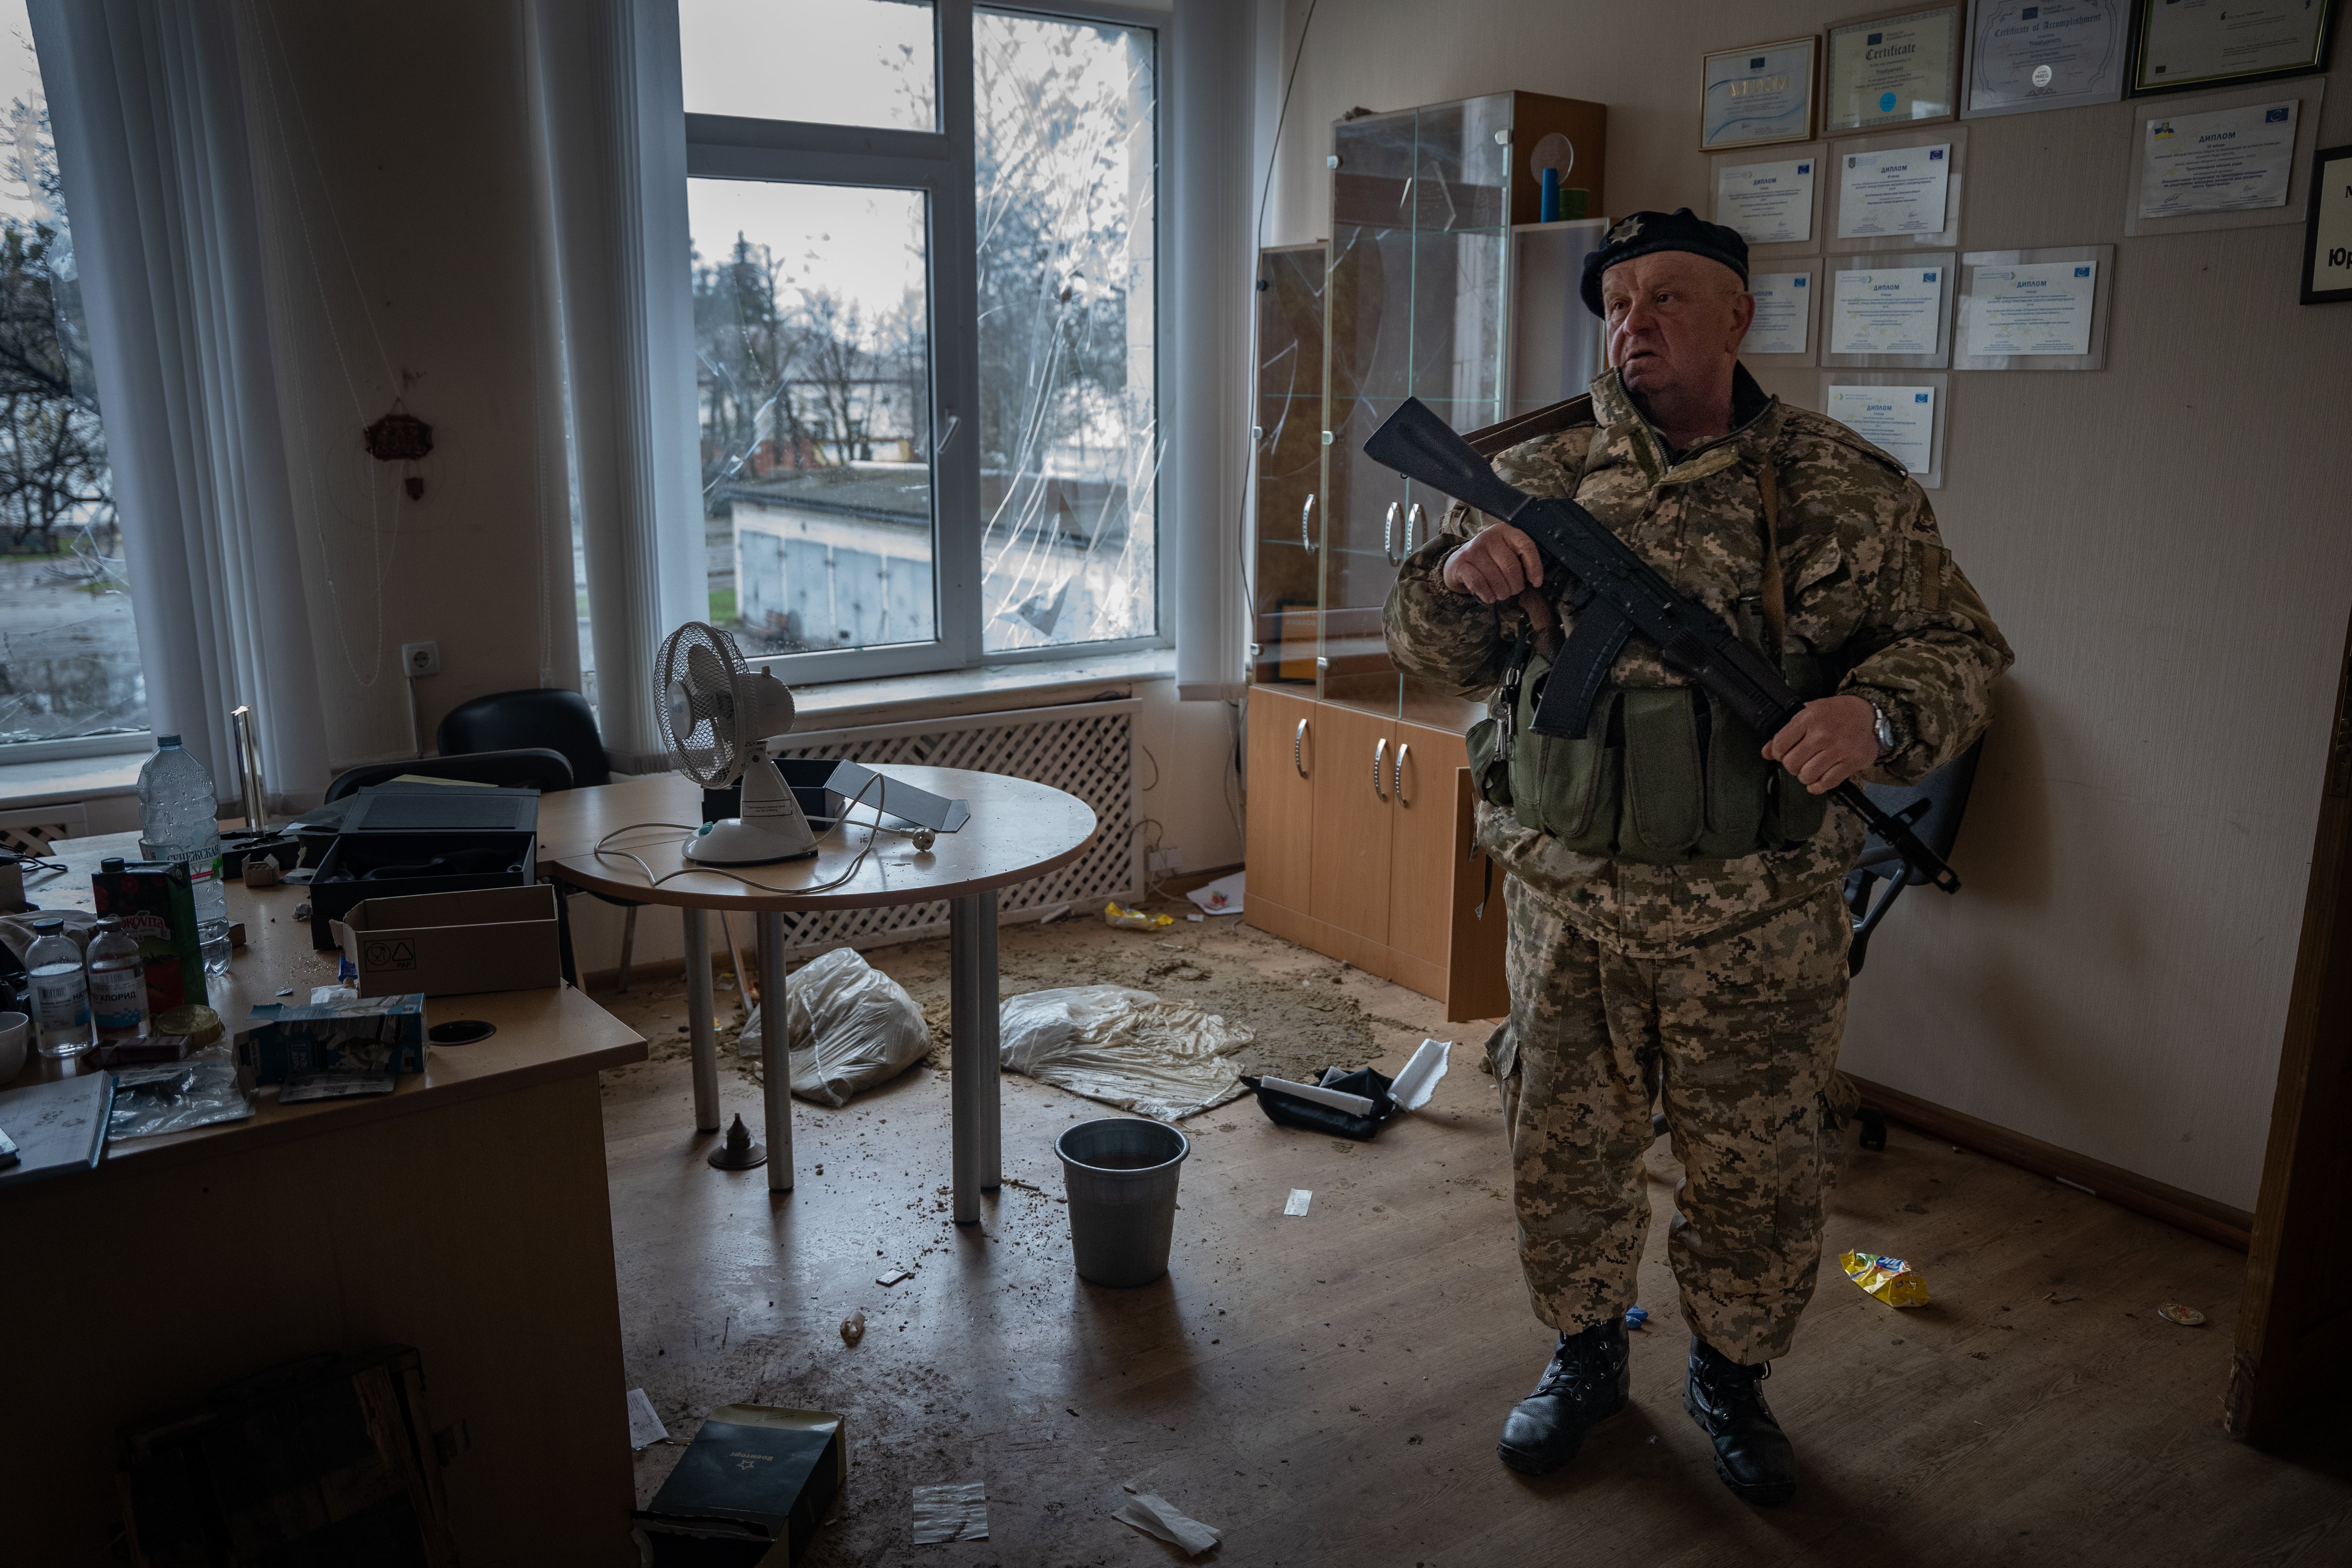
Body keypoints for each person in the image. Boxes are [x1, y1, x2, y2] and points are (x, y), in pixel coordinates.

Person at [1383, 208, 2011, 1505]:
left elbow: (1958, 654)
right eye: (1617, 302)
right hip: (1573, 905)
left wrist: (1875, 716)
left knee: (1757, 1169)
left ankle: (1731, 1377)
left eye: (1670, 297)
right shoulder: (1541, 475)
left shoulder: (1850, 486)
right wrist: (1459, 577)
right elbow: (1433, 657)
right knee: (1562, 1150)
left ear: (1739, 317)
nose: (1637, 324)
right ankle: (1583, 1357)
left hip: (1760, 914)